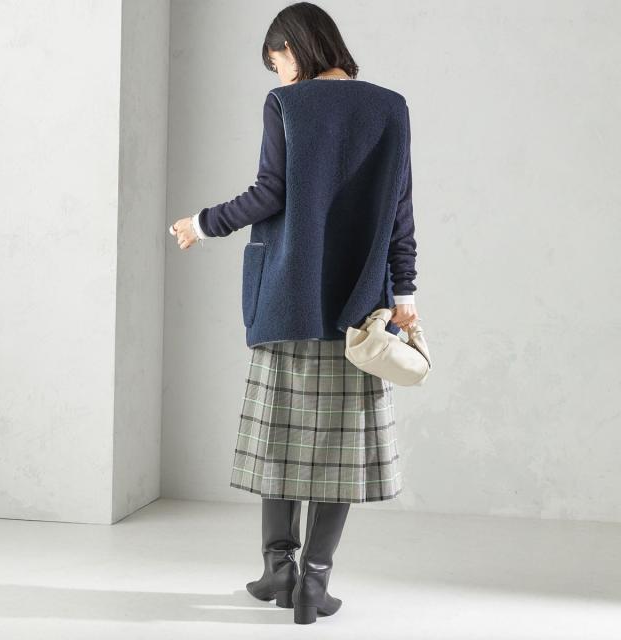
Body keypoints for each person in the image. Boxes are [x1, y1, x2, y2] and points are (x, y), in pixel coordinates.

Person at [169, 2, 420, 625]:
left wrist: (202, 222)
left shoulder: (286, 104)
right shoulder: (391, 106)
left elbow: (270, 192)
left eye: (276, 59)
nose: (278, 73)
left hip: (288, 297)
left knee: (280, 441)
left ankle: (277, 570)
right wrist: (405, 294)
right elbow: (400, 210)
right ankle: (314, 582)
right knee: (338, 452)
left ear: (295, 46)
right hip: (359, 309)